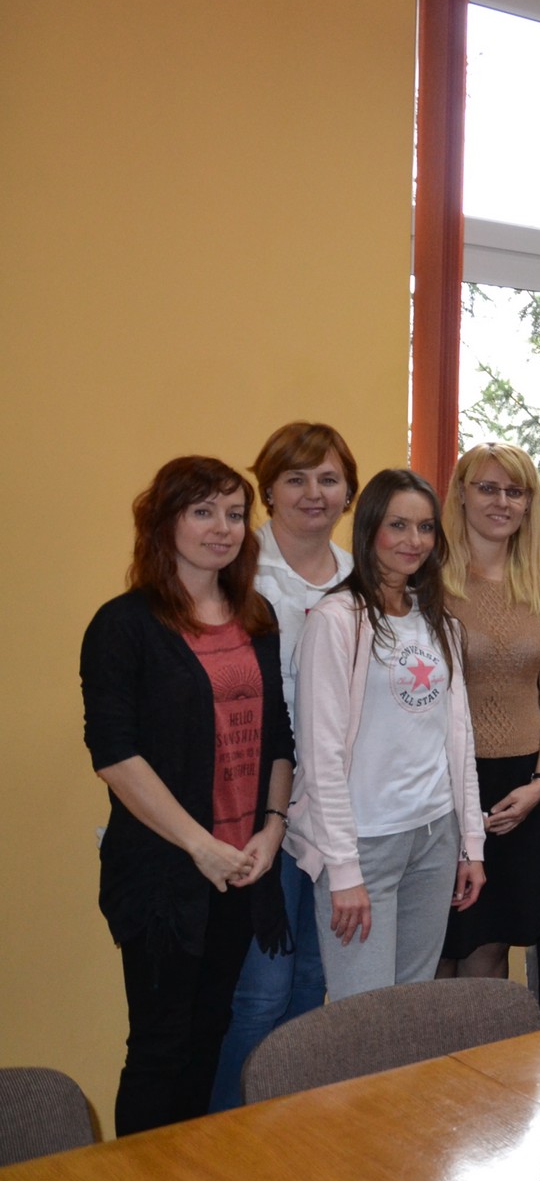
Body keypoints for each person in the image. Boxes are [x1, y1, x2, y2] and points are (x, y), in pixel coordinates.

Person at [81, 457, 294, 1134]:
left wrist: (272, 830)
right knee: (159, 1047)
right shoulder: (124, 624)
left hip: (242, 867)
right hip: (164, 875)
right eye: (203, 512)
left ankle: (184, 1178)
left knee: (210, 1032)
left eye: (234, 513)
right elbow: (114, 755)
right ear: (163, 522)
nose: (222, 528)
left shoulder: (256, 617)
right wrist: (201, 846)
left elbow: (279, 738)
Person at [286, 470, 485, 1001]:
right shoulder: (336, 620)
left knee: (411, 1008)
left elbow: (458, 740)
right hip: (364, 843)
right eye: (398, 525)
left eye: (425, 527)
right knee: (363, 1015)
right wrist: (343, 869)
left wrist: (471, 844)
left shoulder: (440, 623)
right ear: (370, 528)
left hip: (434, 835)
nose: (413, 541)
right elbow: (321, 755)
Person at [209, 422, 355, 1111]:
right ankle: (223, 1136)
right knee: (262, 992)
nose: (313, 493)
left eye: (328, 478)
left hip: (338, 809)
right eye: (295, 478)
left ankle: (288, 1130)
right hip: (261, 808)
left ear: (349, 491)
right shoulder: (237, 572)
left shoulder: (361, 574)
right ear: (267, 490)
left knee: (312, 984)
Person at [436, 443, 540, 981]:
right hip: (443, 782)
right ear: (461, 495)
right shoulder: (430, 577)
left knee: (493, 944)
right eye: (488, 488)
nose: (502, 502)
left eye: (515, 492)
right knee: (438, 947)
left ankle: (485, 1042)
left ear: (528, 504)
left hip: (522, 785)